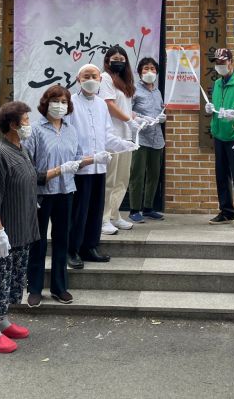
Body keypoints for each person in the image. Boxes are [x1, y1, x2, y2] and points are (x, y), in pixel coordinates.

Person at [23, 84, 106, 308]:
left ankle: (60, 287)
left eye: (64, 102)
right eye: (55, 101)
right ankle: (34, 288)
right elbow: (27, 166)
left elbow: (77, 161)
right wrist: (55, 171)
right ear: (45, 103)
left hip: (66, 191)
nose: (60, 105)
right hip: (41, 194)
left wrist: (96, 158)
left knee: (62, 240)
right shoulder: (36, 130)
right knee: (38, 241)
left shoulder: (71, 129)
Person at [0, 101, 39, 354]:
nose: (28, 124)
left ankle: (3, 321)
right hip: (3, 232)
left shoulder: (21, 149)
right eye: (25, 119)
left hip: (21, 228)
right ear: (12, 124)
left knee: (12, 279)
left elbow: (31, 178)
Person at [68, 64, 137, 269]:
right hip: (80, 167)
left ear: (100, 79)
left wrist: (125, 144)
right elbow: (67, 135)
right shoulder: (70, 103)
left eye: (94, 76)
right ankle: (72, 250)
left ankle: (90, 247)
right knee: (78, 211)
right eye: (86, 76)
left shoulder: (101, 104)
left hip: (99, 167)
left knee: (95, 210)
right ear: (78, 79)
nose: (91, 79)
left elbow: (107, 135)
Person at [204, 48, 234, 228]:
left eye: (223, 62)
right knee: (221, 175)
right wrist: (211, 108)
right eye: (217, 62)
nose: (219, 65)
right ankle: (226, 212)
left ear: (231, 61)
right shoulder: (217, 83)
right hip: (219, 136)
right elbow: (218, 106)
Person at [100, 45, 141, 235]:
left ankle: (115, 215)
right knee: (110, 179)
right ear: (108, 61)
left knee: (122, 179)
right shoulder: (106, 78)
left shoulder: (125, 82)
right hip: (111, 137)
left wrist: (136, 117)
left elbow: (124, 107)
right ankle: (103, 219)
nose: (118, 61)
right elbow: (109, 105)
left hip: (126, 137)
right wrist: (128, 120)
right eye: (114, 58)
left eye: (122, 58)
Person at [128, 57, 166, 223]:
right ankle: (134, 209)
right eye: (145, 69)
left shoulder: (157, 92)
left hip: (157, 139)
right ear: (140, 72)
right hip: (140, 138)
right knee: (137, 174)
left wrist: (162, 117)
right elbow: (127, 111)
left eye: (152, 69)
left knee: (154, 174)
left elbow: (160, 111)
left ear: (156, 72)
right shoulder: (134, 90)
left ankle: (148, 208)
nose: (149, 72)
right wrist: (142, 118)